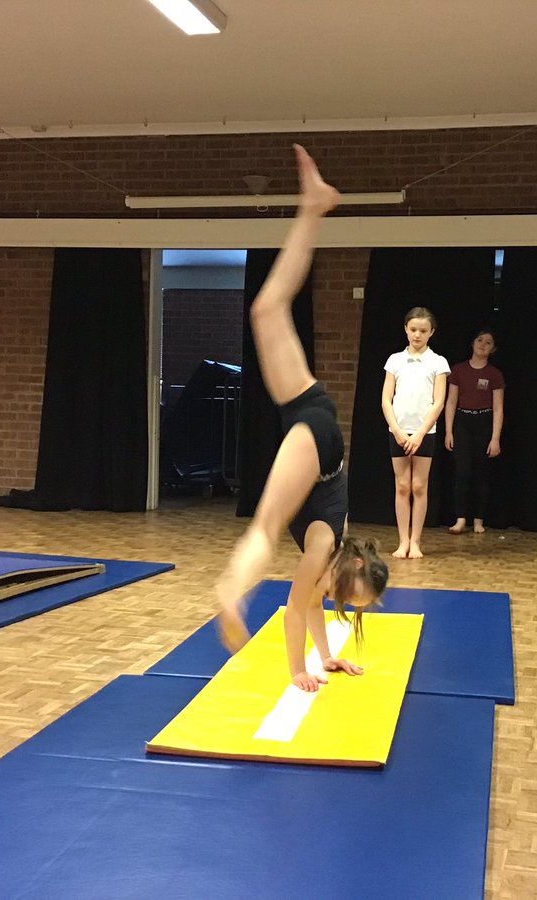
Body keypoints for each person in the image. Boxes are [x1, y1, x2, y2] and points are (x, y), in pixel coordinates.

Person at [215, 145, 389, 691]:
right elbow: (296, 607)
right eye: (353, 599)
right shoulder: (322, 547)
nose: (346, 605)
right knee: (265, 525)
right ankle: (229, 592)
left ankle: (313, 206)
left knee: (267, 308)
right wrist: (298, 672)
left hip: (310, 409)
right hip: (319, 435)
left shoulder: (332, 560)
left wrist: (325, 657)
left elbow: (312, 607)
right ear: (356, 568)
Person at [381, 308, 450, 559]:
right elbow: (386, 399)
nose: (417, 335)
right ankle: (402, 541)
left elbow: (439, 401)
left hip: (424, 432)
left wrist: (420, 433)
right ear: (406, 330)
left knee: (419, 486)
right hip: (398, 431)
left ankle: (416, 541)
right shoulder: (395, 361)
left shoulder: (438, 362)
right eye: (413, 330)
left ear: (431, 332)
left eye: (422, 331)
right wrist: (397, 430)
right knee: (402, 485)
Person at [444, 328, 504, 534]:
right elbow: (451, 402)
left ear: (493, 349)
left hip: (484, 422)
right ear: (472, 343)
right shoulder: (459, 370)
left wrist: (495, 438)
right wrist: (448, 431)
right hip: (463, 422)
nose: (483, 344)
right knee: (462, 472)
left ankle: (478, 519)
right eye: (479, 340)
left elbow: (498, 408)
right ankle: (460, 518)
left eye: (488, 342)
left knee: (481, 473)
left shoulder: (494, 375)